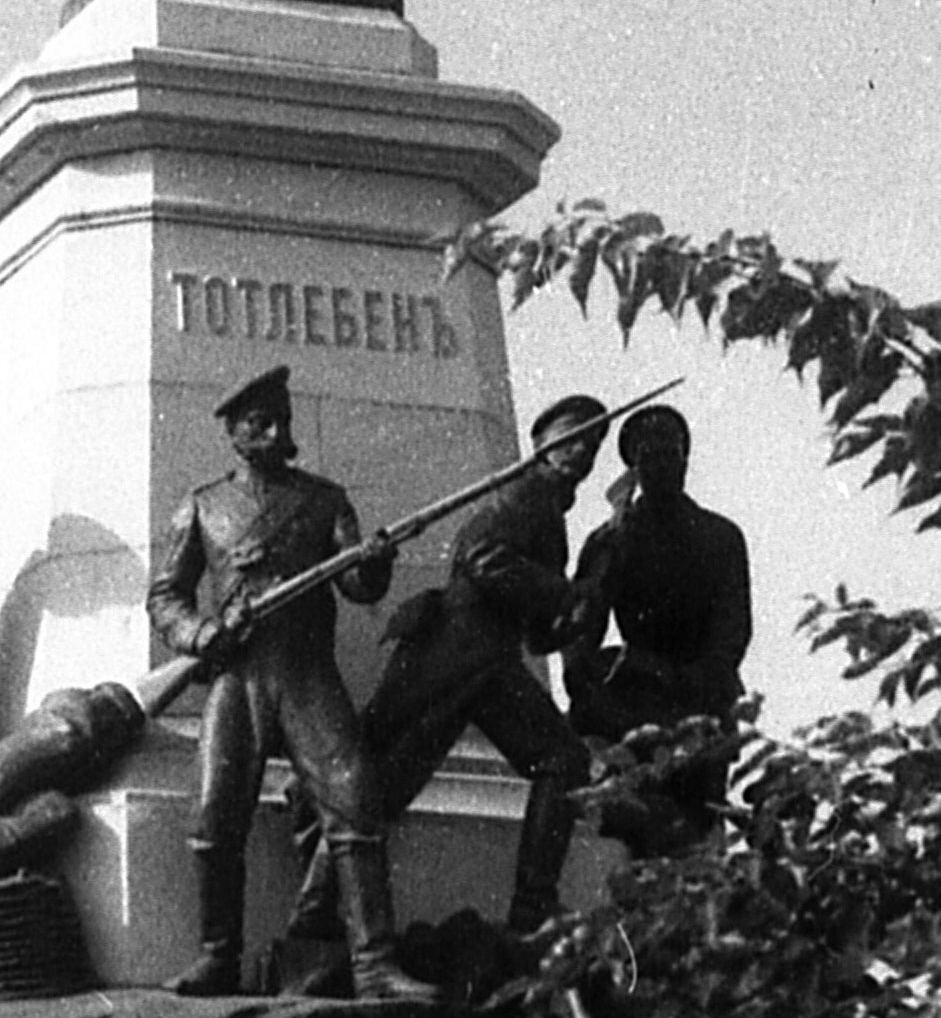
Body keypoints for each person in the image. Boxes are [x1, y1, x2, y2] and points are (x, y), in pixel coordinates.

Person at [289, 393, 611, 943]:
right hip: (461, 652)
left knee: (397, 778)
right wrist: (562, 593)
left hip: (482, 657)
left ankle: (320, 905)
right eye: (572, 439)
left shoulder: (547, 508)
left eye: (592, 443)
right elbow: (481, 556)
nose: (581, 452)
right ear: (542, 443)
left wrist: (572, 614)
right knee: (394, 779)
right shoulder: (529, 493)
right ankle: (530, 906)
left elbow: (533, 626)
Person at [146, 364, 421, 1002]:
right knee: (214, 815)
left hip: (307, 673)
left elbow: (357, 586)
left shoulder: (325, 500)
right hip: (238, 675)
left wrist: (374, 564)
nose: (274, 433)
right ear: (234, 435)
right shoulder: (202, 506)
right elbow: (166, 597)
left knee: (354, 801)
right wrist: (199, 634)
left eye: (282, 421)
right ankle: (218, 957)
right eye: (259, 423)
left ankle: (375, 964)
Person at [567, 404, 753, 842]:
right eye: (649, 455)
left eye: (672, 453)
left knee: (694, 826)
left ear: (685, 459)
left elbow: (732, 629)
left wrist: (695, 684)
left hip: (701, 697)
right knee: (621, 811)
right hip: (632, 694)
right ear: (634, 468)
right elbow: (581, 630)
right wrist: (589, 685)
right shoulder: (611, 540)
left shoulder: (721, 537)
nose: (663, 465)